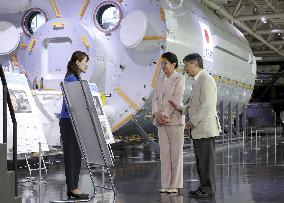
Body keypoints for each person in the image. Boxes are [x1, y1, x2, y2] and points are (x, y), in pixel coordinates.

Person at [169, 53, 221, 198]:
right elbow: (195, 105)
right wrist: (181, 108)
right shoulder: (199, 81)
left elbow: (207, 105)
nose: (185, 69)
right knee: (201, 162)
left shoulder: (206, 80)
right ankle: (204, 187)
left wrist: (193, 121)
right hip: (200, 129)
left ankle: (209, 189)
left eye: (186, 65)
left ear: (194, 64)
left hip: (205, 128)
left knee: (206, 162)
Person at [152, 52, 185, 193]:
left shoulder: (180, 79)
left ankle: (175, 185)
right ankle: (165, 185)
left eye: (165, 63)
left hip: (174, 120)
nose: (163, 66)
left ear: (174, 64)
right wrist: (155, 114)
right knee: (164, 154)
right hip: (160, 121)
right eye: (162, 63)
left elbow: (176, 99)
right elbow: (154, 99)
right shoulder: (159, 80)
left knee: (176, 155)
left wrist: (164, 115)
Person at [59, 51, 89, 199]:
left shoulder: (75, 78)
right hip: (69, 121)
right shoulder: (71, 79)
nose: (86, 65)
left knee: (75, 155)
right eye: (84, 61)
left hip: (73, 121)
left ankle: (73, 187)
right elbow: (75, 103)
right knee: (72, 155)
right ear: (77, 62)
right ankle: (72, 188)